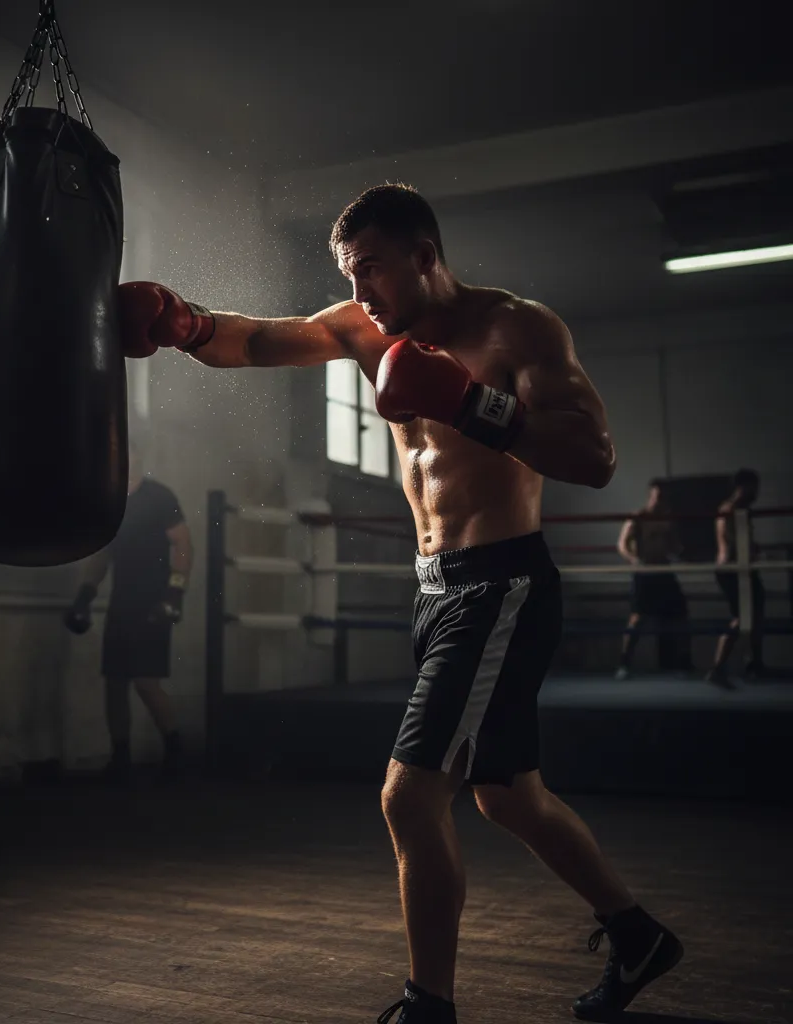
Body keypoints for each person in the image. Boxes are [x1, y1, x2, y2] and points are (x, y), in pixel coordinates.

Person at [115, 183, 682, 1023]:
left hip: (502, 584)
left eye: (371, 270)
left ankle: (428, 1005)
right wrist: (186, 327)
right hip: (436, 590)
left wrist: (470, 403)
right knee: (506, 796)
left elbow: (593, 456)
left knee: (409, 797)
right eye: (349, 274)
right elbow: (265, 341)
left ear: (425, 257)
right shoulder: (362, 327)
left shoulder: (518, 329)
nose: (358, 292)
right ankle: (637, 937)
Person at [65, 439, 191, 783]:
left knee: (146, 683)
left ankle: (176, 750)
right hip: (122, 602)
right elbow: (102, 554)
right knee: (115, 682)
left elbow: (182, 542)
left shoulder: (159, 497)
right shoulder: (110, 502)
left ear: (138, 456)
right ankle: (120, 757)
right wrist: (85, 596)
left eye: (127, 453)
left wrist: (175, 592)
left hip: (154, 601)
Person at [615, 481, 691, 680]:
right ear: (650, 495)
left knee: (679, 615)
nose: (659, 500)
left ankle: (683, 663)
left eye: (662, 496)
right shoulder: (638, 517)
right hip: (644, 572)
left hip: (664, 570)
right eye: (656, 496)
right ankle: (624, 663)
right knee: (637, 618)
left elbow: (674, 545)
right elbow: (622, 544)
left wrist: (682, 553)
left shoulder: (668, 520)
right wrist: (634, 560)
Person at [707, 468, 768, 687]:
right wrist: (744, 552)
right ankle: (717, 668)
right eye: (755, 487)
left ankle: (755, 664)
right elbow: (728, 544)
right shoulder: (729, 509)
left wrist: (752, 548)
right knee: (741, 618)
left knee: (757, 614)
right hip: (732, 570)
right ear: (744, 486)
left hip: (744, 568)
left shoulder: (741, 510)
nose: (757, 492)